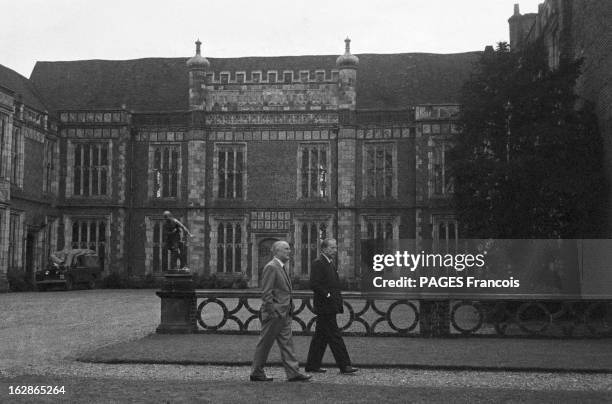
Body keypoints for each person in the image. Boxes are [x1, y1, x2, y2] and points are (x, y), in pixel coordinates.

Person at [250, 241, 311, 382]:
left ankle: (293, 373)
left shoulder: (281, 267)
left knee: (287, 343)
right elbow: (266, 293)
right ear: (276, 252)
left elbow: (282, 291)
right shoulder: (272, 267)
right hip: (275, 314)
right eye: (286, 249)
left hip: (284, 313)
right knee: (265, 343)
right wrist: (272, 312)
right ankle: (256, 372)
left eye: (289, 248)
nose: (289, 251)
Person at [305, 238, 358, 374]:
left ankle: (312, 365)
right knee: (335, 336)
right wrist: (328, 295)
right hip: (325, 307)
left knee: (320, 337)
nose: (335, 250)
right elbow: (314, 284)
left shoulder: (329, 263)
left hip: (329, 306)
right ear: (324, 249)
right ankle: (345, 365)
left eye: (335, 248)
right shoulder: (319, 263)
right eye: (332, 248)